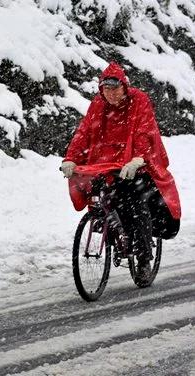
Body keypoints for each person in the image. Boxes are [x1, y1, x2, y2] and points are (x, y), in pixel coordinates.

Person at [60, 61, 181, 279]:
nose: (111, 94)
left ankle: (144, 257)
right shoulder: (98, 104)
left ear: (124, 86)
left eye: (115, 89)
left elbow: (145, 131)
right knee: (99, 196)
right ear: (101, 90)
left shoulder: (139, 101)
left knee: (136, 202)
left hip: (134, 164)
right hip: (105, 164)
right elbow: (84, 131)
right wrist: (71, 158)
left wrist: (138, 159)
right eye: (106, 89)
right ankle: (112, 228)